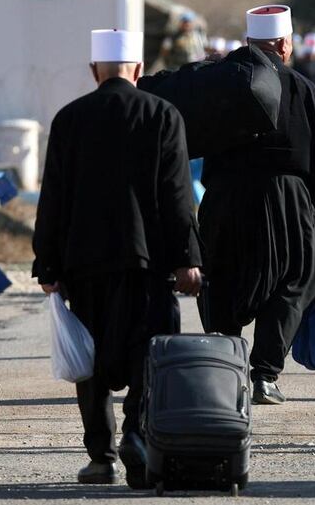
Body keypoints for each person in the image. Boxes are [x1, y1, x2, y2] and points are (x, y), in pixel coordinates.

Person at [32, 29, 202, 487]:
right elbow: (177, 195)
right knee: (149, 354)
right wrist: (187, 258)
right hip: (147, 264)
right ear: (139, 70)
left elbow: (53, 198)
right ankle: (137, 435)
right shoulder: (163, 114)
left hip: (82, 264)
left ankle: (101, 457)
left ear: (94, 71)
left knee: (88, 360)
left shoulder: (69, 120)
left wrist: (45, 264)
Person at [197, 5, 315, 405]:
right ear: (285, 44)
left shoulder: (218, 84)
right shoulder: (301, 87)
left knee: (221, 278)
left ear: (249, 43)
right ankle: (264, 374)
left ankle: (227, 367)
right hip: (287, 198)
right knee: (298, 275)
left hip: (223, 198)